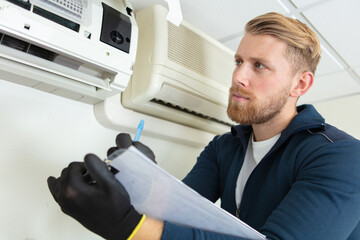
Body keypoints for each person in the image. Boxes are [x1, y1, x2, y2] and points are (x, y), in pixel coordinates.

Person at [47, 12, 360, 240]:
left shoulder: (343, 157)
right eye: (239, 61)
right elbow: (179, 208)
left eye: (259, 65)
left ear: (300, 84)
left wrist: (129, 226)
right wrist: (139, 177)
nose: (238, 77)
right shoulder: (223, 147)